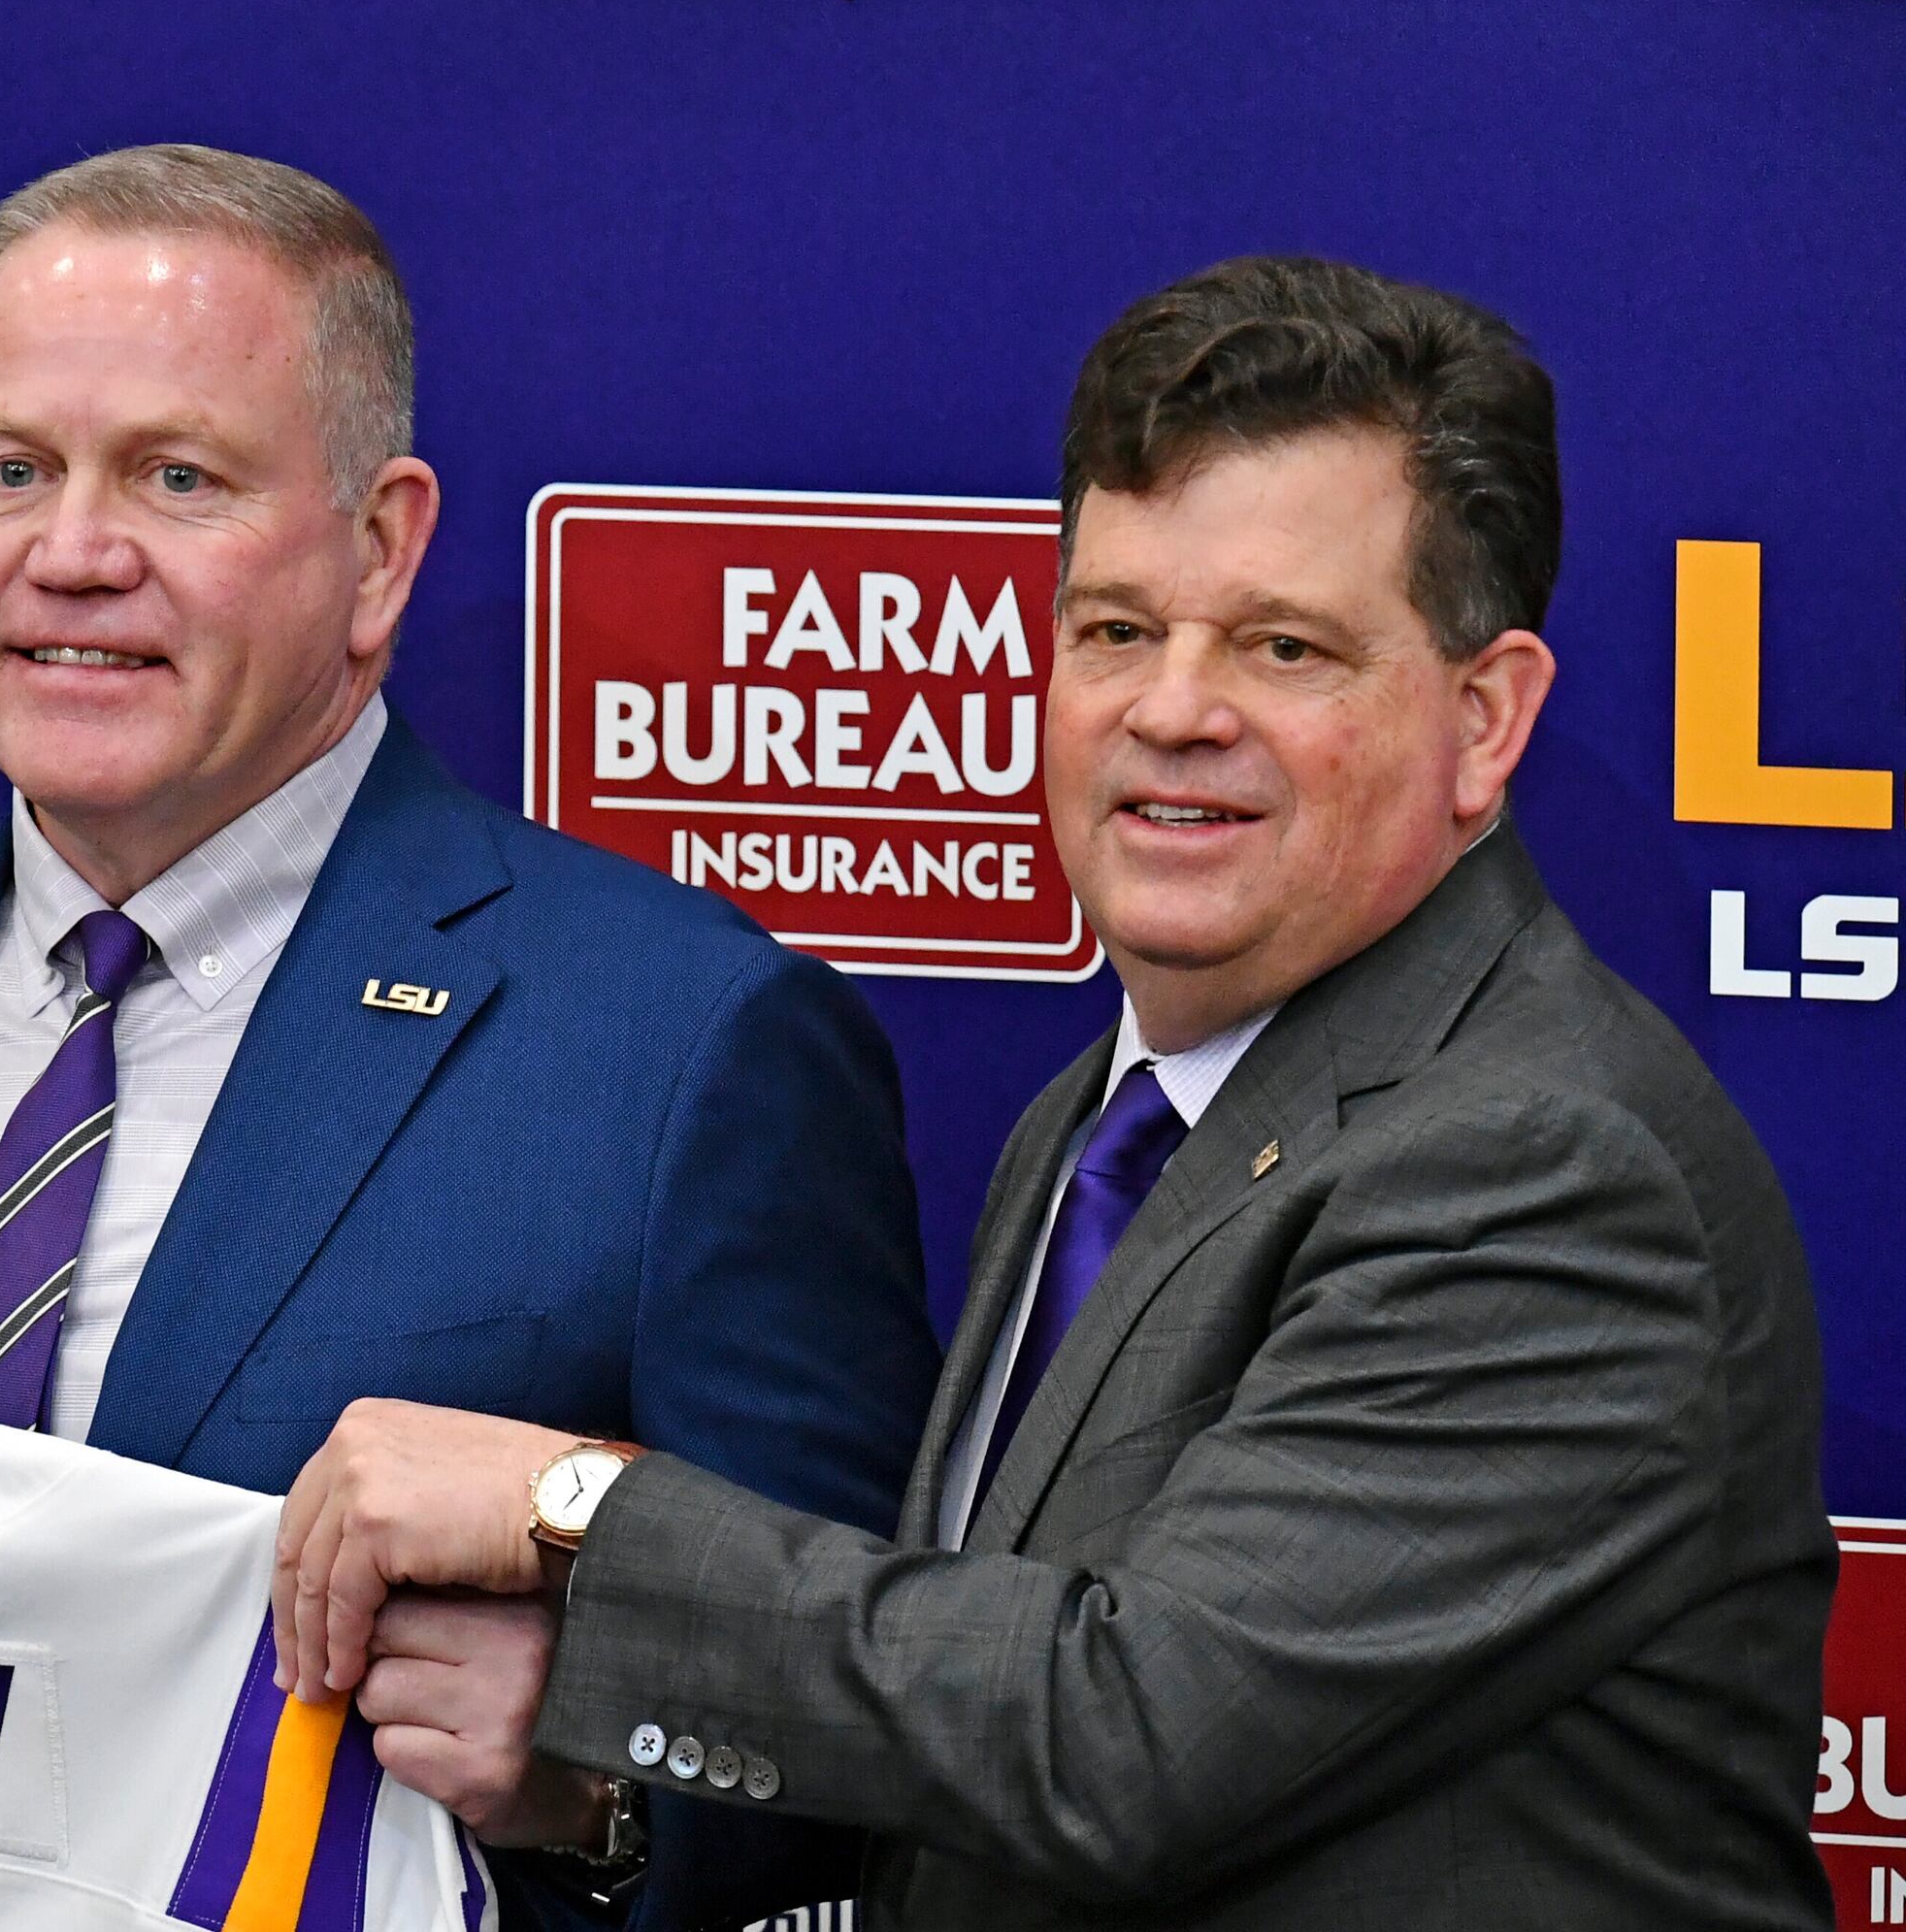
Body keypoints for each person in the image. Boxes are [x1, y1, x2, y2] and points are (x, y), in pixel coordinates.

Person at [0, 144, 940, 1926]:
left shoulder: (681, 1042)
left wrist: (595, 1782)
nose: (73, 556)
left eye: (176, 476)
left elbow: (873, 1739)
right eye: (11, 472)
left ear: (378, 554)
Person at [268, 256, 1834, 1928]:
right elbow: (982, 1750)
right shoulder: (1116, 1112)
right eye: (1115, 630)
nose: (1171, 711)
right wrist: (592, 1795)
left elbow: (1121, 1735)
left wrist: (570, 1506)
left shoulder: (1543, 1162)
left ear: (1484, 718)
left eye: (1284, 647)